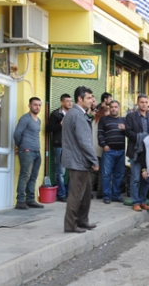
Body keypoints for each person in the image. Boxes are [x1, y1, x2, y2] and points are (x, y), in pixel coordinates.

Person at [62, 86, 99, 233]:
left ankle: (82, 221)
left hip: (79, 161)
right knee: (76, 194)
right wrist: (94, 161)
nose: (91, 100)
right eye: (89, 98)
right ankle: (71, 225)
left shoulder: (77, 113)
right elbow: (84, 142)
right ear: (80, 98)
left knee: (85, 193)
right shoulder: (77, 115)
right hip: (78, 161)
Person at [125, 95, 149, 211]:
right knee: (135, 178)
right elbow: (127, 132)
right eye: (142, 102)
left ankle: (142, 201)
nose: (144, 104)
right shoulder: (131, 116)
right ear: (137, 103)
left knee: (146, 178)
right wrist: (141, 138)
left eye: (146, 102)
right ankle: (135, 202)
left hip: (148, 152)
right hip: (136, 150)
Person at [13, 97, 44, 210]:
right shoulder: (25, 119)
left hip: (36, 151)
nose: (37, 107)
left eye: (39, 105)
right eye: (35, 105)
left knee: (33, 176)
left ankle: (30, 200)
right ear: (29, 106)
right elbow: (17, 134)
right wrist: (21, 146)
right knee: (25, 175)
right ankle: (20, 201)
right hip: (27, 151)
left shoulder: (38, 120)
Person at [98, 100, 126, 204]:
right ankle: (106, 196)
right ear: (109, 108)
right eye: (112, 107)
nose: (114, 108)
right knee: (106, 174)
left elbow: (128, 134)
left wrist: (125, 129)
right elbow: (100, 133)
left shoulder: (123, 120)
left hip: (122, 151)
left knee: (119, 174)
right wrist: (104, 145)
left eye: (115, 107)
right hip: (109, 151)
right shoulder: (104, 119)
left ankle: (116, 195)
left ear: (119, 108)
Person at [47, 94, 72, 202]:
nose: (70, 103)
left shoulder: (72, 114)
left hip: (71, 146)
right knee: (60, 171)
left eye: (71, 101)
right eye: (67, 101)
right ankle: (61, 194)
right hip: (60, 145)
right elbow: (49, 128)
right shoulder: (55, 114)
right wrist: (60, 124)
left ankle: (70, 193)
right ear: (62, 102)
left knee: (72, 171)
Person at [91, 105, 107, 199]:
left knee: (91, 173)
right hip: (101, 149)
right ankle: (100, 193)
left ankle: (88, 192)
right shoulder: (104, 122)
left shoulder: (93, 121)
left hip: (92, 150)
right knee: (101, 173)